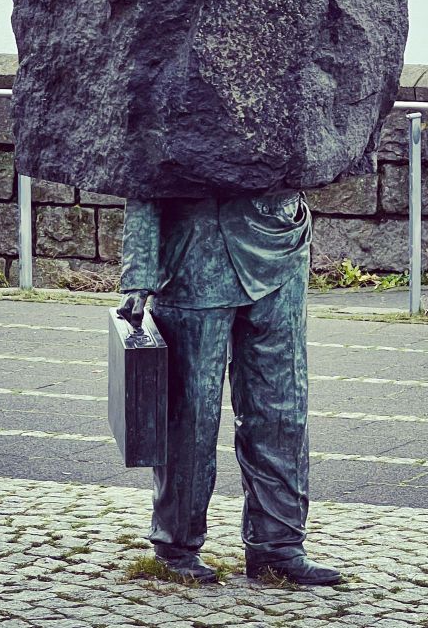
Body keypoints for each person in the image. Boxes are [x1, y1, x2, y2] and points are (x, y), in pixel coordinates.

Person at [117, 192, 342, 587]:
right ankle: (176, 545)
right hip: (196, 251)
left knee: (281, 407)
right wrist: (139, 275)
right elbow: (146, 172)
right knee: (191, 414)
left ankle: (278, 547)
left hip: (280, 244)